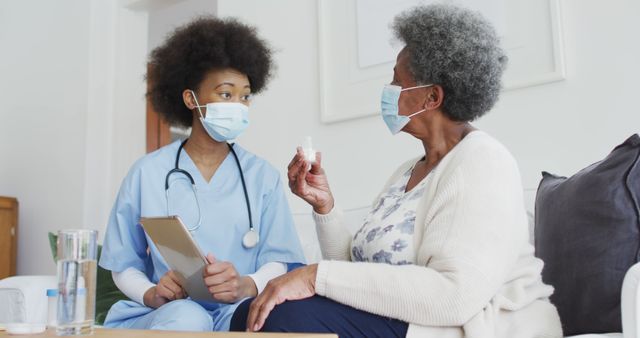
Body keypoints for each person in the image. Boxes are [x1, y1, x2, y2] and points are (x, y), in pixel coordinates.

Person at [230, 4, 562, 338]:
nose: (388, 89)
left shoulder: (484, 162)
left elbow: (455, 296)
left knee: (282, 316)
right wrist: (325, 207)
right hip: (400, 321)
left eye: (396, 80)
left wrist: (314, 275)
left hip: (465, 327)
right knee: (250, 311)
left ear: (432, 97)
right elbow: (359, 274)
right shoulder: (408, 172)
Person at [98, 17, 305, 332]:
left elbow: (278, 260)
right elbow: (123, 263)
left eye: (245, 96)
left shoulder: (262, 175)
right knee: (187, 318)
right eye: (225, 94)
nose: (238, 105)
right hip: (173, 312)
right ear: (190, 99)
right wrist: (151, 292)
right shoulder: (148, 172)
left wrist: (245, 284)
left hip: (238, 309)